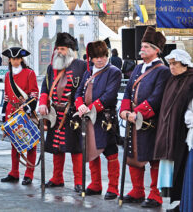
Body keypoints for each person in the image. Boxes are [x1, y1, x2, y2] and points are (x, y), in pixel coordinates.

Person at [119, 26, 171, 208]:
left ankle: (155, 195)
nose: (142, 49)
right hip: (133, 119)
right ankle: (137, 191)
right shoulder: (138, 68)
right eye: (141, 46)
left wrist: (137, 113)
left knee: (153, 158)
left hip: (150, 122)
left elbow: (156, 98)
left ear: (156, 50)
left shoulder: (162, 70)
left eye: (146, 47)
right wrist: (124, 111)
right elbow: (127, 92)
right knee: (133, 156)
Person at [38, 32, 87, 193]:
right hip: (55, 113)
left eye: (63, 48)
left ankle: (79, 181)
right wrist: (43, 102)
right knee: (56, 147)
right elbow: (45, 86)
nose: (59, 51)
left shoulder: (82, 66)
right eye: (58, 48)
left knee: (75, 148)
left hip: (72, 113)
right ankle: (57, 178)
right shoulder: (52, 67)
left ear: (71, 50)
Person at [75, 40, 122, 200]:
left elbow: (109, 95)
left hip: (104, 118)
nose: (100, 59)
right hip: (88, 118)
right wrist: (80, 105)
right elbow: (78, 93)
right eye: (96, 57)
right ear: (92, 59)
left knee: (110, 153)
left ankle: (113, 188)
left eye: (103, 56)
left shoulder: (114, 72)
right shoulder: (88, 72)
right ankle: (95, 185)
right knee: (92, 152)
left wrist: (91, 107)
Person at [153, 49, 193, 212]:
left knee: (183, 168)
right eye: (170, 64)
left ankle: (184, 202)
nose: (172, 67)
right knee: (173, 171)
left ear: (184, 64)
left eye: (175, 64)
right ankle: (180, 202)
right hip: (168, 132)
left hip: (183, 133)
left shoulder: (191, 80)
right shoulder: (172, 79)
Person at [0, 47, 38, 185]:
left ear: (21, 59)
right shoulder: (7, 75)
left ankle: (29, 174)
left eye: (17, 58)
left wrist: (26, 107)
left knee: (30, 144)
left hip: (25, 112)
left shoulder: (29, 73)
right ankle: (14, 172)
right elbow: (5, 97)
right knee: (14, 144)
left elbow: (34, 94)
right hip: (11, 111)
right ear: (9, 60)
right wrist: (4, 116)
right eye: (12, 59)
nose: (15, 61)